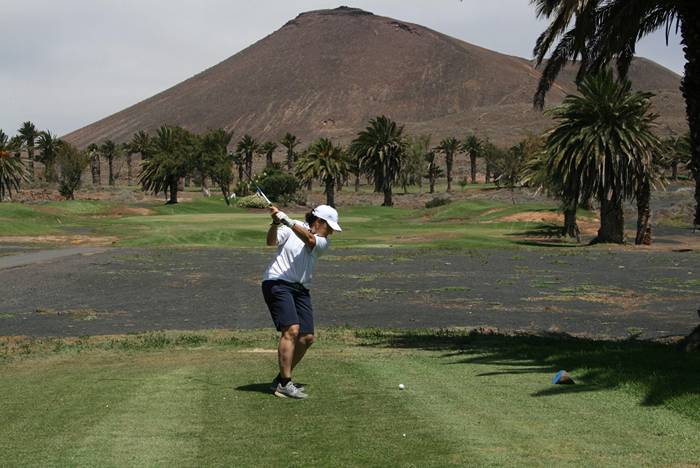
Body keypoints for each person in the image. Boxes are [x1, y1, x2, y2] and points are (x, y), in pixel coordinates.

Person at [261, 204, 341, 399]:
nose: (330, 231)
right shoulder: (293, 225)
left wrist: (286, 219)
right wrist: (275, 222)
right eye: (329, 226)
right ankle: (286, 383)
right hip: (277, 282)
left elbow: (309, 238)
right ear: (319, 221)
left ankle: (281, 380)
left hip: (301, 289)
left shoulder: (322, 241)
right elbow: (271, 242)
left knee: (307, 337)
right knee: (292, 329)